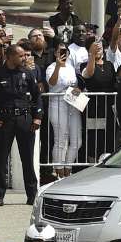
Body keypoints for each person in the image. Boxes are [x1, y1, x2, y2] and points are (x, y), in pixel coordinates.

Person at [0, 44, 42, 206]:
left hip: (25, 119)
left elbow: (38, 96)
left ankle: (32, 194)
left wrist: (37, 117)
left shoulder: (27, 74)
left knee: (28, 159)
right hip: (4, 120)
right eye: (21, 56)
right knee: (1, 159)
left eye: (25, 55)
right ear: (10, 57)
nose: (25, 58)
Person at [45, 42, 82, 180]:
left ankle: (68, 167)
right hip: (57, 103)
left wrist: (78, 91)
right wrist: (58, 67)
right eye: (60, 51)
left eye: (65, 51)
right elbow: (52, 83)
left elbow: (75, 85)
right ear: (55, 53)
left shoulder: (71, 67)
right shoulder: (51, 67)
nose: (63, 53)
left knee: (77, 140)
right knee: (61, 139)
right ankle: (59, 171)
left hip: (72, 101)